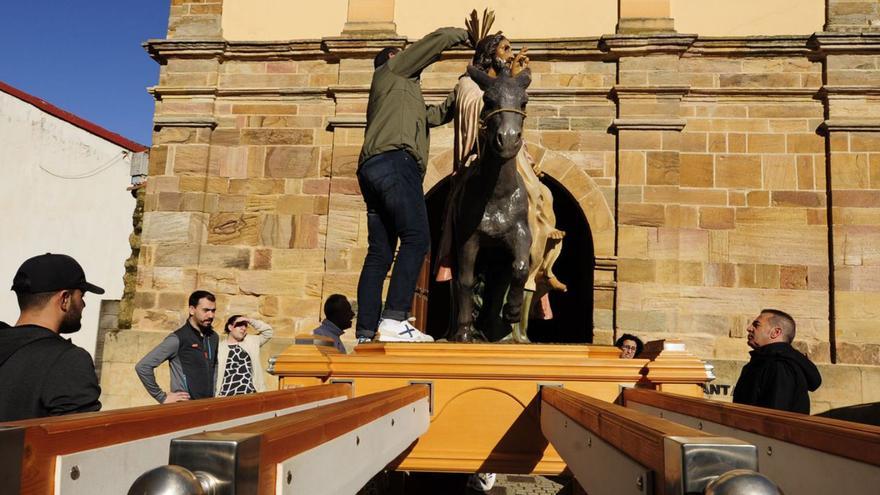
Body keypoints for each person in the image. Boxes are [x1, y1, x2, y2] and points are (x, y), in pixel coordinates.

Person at [434, 30, 566, 326]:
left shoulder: (508, 81)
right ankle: (449, 255)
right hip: (479, 150)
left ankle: (540, 264)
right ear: (491, 52)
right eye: (504, 48)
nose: (509, 52)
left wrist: (514, 78)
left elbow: (514, 113)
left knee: (540, 195)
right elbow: (466, 110)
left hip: (513, 152)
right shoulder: (469, 83)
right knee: (457, 200)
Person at [355, 25, 469, 344]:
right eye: (400, 53)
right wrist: (466, 36)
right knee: (417, 238)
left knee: (379, 252)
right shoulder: (393, 70)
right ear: (391, 59)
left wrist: (465, 83)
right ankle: (394, 318)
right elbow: (434, 42)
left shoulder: (404, 95)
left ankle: (366, 331)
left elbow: (439, 114)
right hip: (395, 163)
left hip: (374, 168)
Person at [0, 253, 103, 421]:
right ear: (65, 299)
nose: (84, 304)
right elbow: (81, 440)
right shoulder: (68, 360)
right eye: (82, 296)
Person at [135, 290, 219, 403]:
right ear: (192, 310)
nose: (211, 315)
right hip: (185, 407)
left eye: (213, 311)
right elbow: (143, 366)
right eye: (206, 310)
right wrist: (162, 397)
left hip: (208, 405)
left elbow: (215, 367)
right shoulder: (178, 338)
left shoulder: (213, 337)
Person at [732, 309, 822, 414]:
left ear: (776, 332)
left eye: (756, 325)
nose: (749, 328)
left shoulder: (780, 366)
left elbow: (776, 417)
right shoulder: (763, 361)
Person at [215, 315, 274, 396]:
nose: (243, 328)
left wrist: (250, 320)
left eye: (245, 325)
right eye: (240, 325)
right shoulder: (219, 347)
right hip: (225, 396)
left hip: (250, 395)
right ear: (230, 327)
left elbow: (268, 332)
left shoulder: (252, 341)